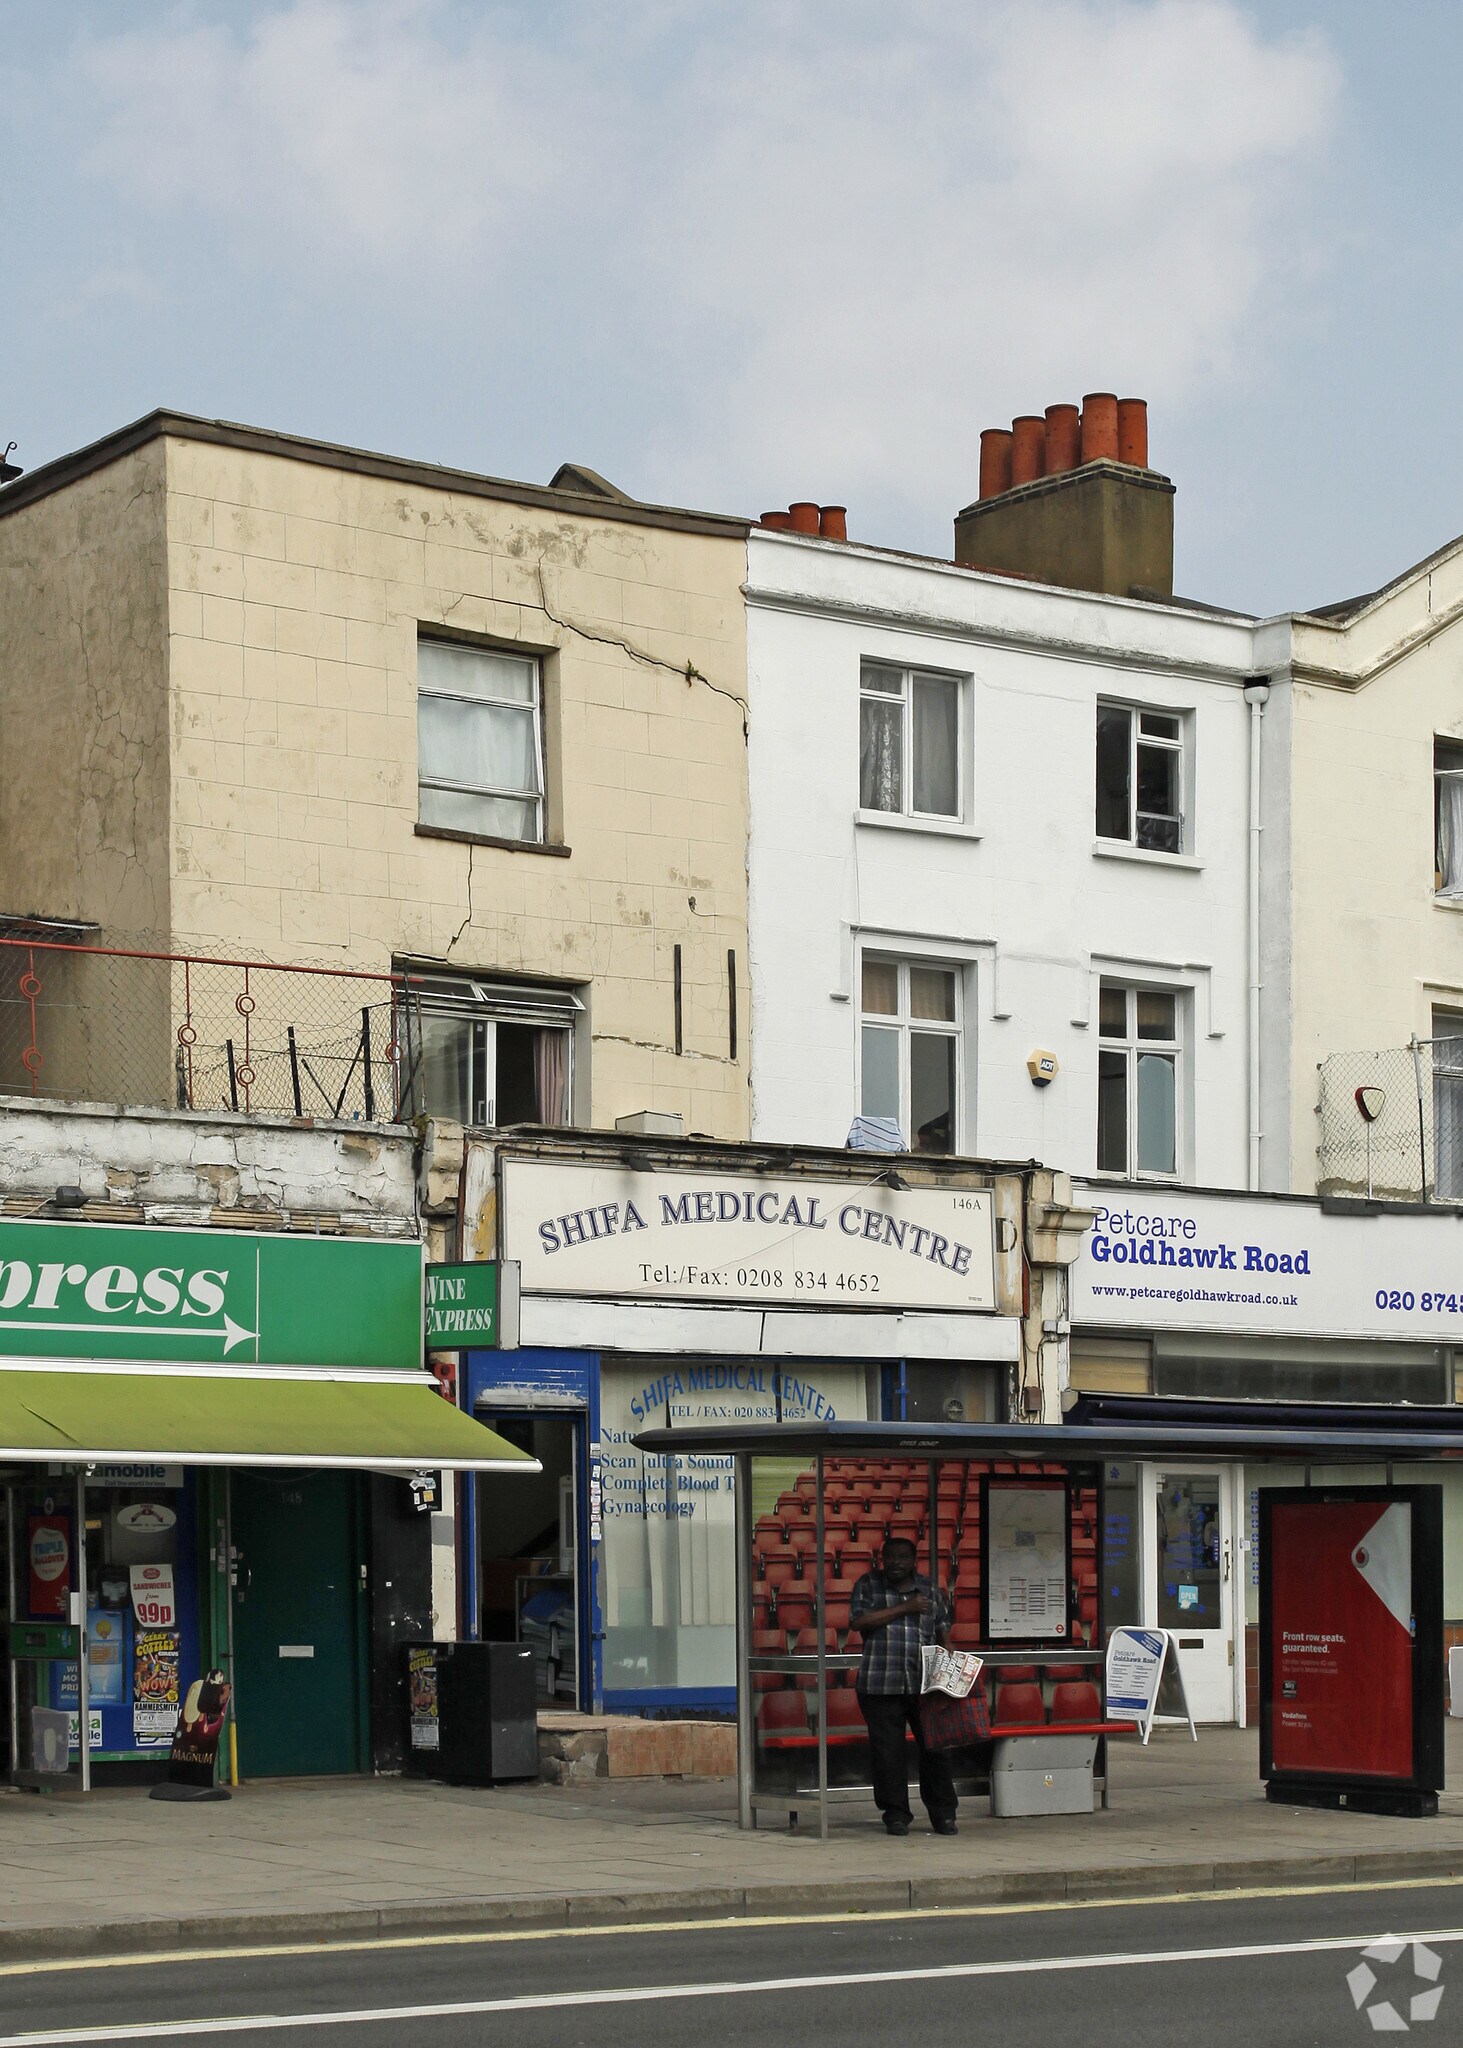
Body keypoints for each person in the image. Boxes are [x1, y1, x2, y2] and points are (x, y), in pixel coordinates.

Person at [849, 1536, 958, 1836]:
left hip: (924, 1686)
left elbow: (943, 1632)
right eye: (890, 1557)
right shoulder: (868, 1585)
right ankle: (895, 1815)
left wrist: (947, 1674)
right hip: (879, 1685)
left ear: (913, 1560)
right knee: (888, 1755)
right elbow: (859, 1623)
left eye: (902, 1557)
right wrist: (905, 1607)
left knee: (936, 1751)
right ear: (882, 1559)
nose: (895, 1562)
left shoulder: (930, 1590)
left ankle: (943, 1815)